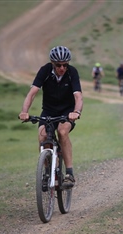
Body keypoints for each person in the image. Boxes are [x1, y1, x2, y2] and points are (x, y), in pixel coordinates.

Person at [19, 46, 83, 188]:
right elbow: (32, 93)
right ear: (52, 63)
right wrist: (24, 111)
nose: (62, 68)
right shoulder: (45, 70)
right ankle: (47, 171)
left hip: (67, 111)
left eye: (65, 65)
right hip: (48, 111)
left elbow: (78, 97)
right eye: (58, 65)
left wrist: (76, 112)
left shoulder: (72, 72)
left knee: (62, 131)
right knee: (42, 137)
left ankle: (69, 174)